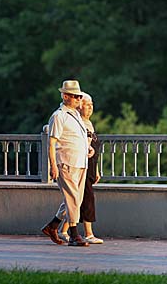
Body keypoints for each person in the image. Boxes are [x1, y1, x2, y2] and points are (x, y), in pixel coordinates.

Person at [41, 80, 90, 247]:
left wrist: (87, 149)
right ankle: (74, 234)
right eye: (75, 96)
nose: (78, 99)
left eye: (79, 96)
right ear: (65, 96)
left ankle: (53, 225)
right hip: (66, 162)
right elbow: (52, 142)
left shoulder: (75, 115)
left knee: (76, 198)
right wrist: (53, 165)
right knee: (73, 198)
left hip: (80, 162)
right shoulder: (58, 116)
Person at [58, 92, 103, 244]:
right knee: (83, 199)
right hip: (78, 163)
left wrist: (96, 169)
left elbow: (92, 147)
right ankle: (87, 233)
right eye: (86, 105)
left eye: (91, 105)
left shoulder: (88, 123)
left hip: (89, 165)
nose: (90, 108)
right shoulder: (72, 121)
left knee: (75, 200)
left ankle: (60, 229)